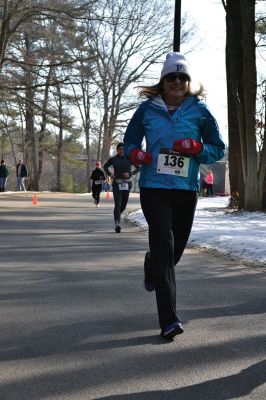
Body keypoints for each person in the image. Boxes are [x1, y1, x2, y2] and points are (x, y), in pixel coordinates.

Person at [124, 52, 225, 340]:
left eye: (183, 77)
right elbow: (130, 141)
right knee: (165, 250)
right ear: (163, 80)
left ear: (188, 82)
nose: (177, 81)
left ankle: (150, 262)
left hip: (184, 189)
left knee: (174, 251)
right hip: (154, 188)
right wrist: (136, 154)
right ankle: (168, 320)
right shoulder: (147, 109)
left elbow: (218, 148)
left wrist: (196, 147)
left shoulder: (200, 111)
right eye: (172, 76)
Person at [104, 142, 140, 233]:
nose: (121, 151)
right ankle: (117, 224)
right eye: (119, 149)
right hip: (117, 184)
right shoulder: (113, 159)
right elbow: (105, 166)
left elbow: (138, 168)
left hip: (127, 184)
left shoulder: (129, 158)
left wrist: (130, 173)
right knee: (118, 204)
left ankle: (117, 215)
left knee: (123, 205)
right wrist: (110, 174)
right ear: (117, 150)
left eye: (123, 149)